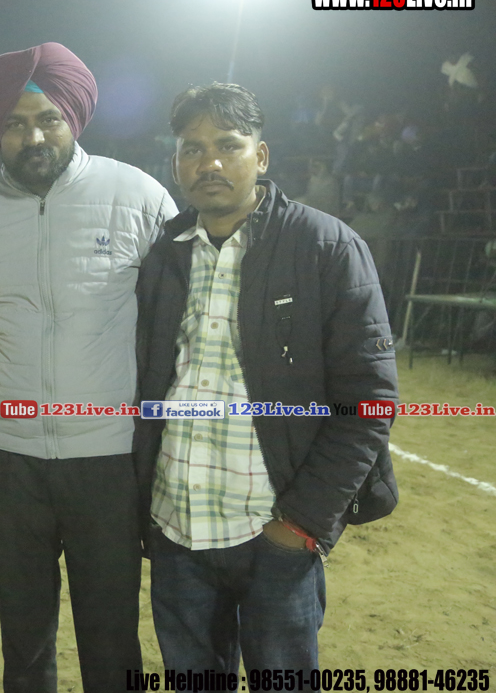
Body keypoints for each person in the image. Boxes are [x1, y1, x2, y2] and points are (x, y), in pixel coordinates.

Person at [0, 42, 177, 693]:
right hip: (7, 465)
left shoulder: (139, 197)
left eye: (48, 119)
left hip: (109, 465)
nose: (33, 136)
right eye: (14, 123)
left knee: (112, 636)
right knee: (24, 638)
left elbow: (175, 319)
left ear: (75, 117)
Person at [133, 83, 399, 673]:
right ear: (176, 164)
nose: (210, 162)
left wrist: (300, 525)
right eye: (193, 149)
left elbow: (369, 402)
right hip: (175, 529)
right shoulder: (164, 254)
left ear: (261, 156)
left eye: (228, 145)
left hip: (273, 532)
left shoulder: (325, 246)